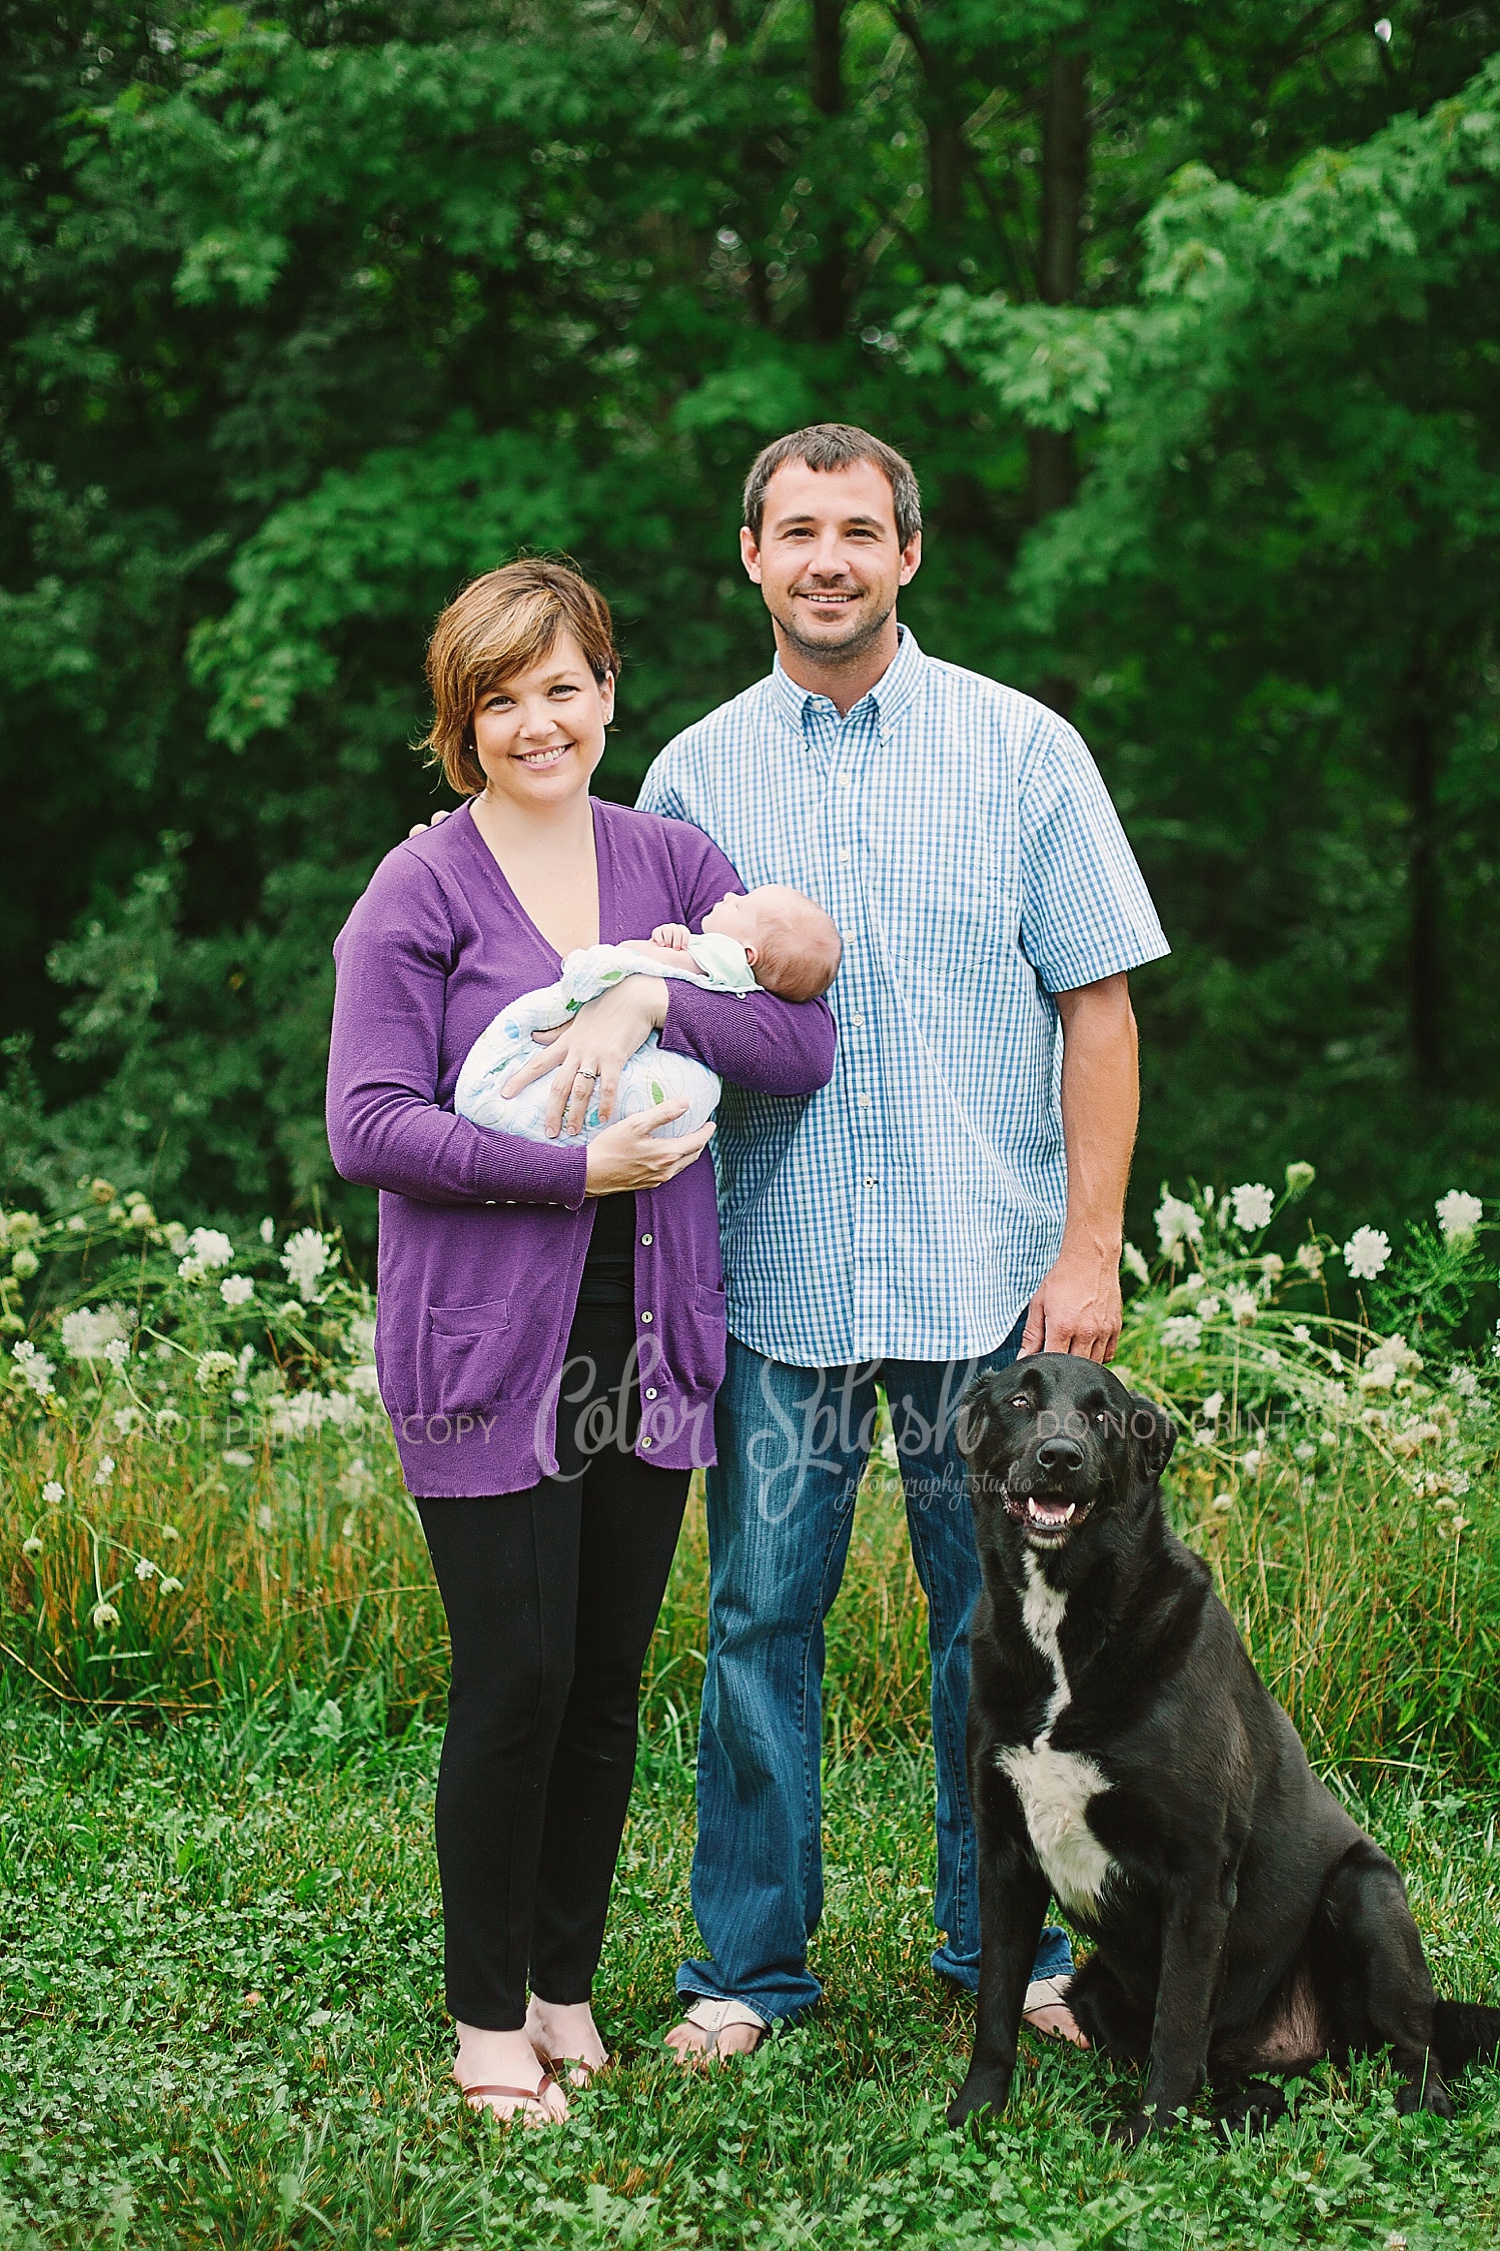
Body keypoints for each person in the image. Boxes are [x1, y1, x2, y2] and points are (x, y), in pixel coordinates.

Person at [631, 424, 1171, 2060]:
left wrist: (1090, 1249)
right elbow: (657, 1035)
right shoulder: (691, 778)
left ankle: (1000, 1950)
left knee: (1001, 1631)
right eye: (797, 530)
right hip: (777, 1279)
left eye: (859, 530)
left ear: (909, 554)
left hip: (981, 1290)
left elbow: (1098, 1005)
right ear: (751, 556)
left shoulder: (1025, 753)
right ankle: (749, 1971)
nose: (828, 560)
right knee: (755, 1623)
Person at [326, 559, 835, 2125]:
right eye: (501, 695)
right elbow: (368, 1122)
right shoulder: (420, 886)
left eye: (563, 686)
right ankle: (487, 2019)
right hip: (486, 1342)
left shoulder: (673, 859)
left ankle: (562, 1983)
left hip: (650, 1331)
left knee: (607, 1673)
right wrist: (577, 1167)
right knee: (517, 1672)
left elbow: (802, 1041)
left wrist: (651, 1006)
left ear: (609, 694)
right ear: (460, 720)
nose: (537, 720)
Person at [453, 885, 842, 1145]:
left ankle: (508, 1114)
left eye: (740, 904)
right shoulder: (733, 970)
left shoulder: (722, 956)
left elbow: (645, 960)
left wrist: (622, 963)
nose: (728, 894)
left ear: (747, 953)